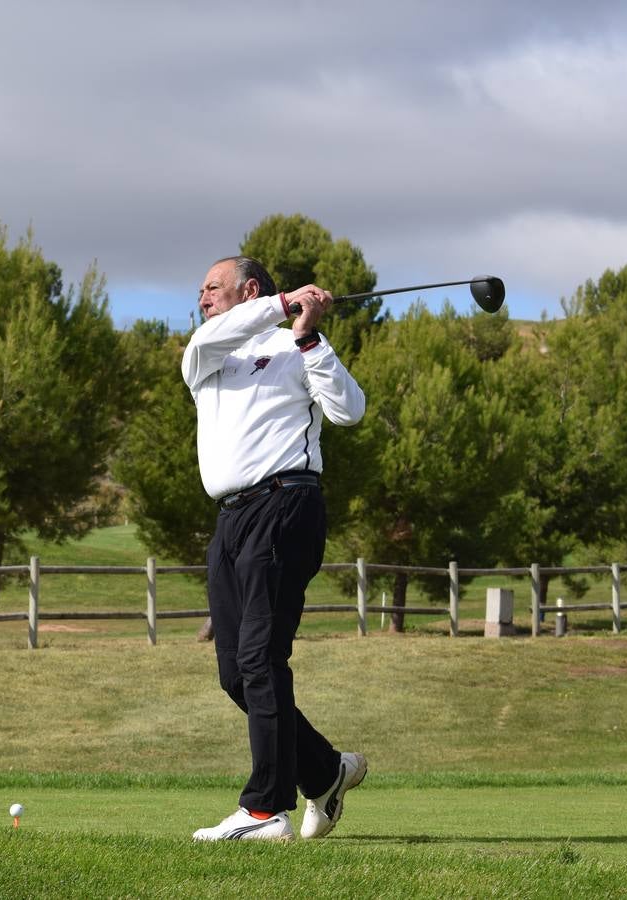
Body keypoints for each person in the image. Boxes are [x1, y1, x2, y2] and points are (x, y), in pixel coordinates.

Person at [183, 256, 368, 842]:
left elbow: (349, 412)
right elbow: (220, 332)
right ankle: (325, 770)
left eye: (212, 288)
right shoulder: (206, 353)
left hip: (286, 505)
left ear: (249, 290)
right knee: (236, 674)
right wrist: (286, 304)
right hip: (230, 520)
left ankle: (265, 810)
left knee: (260, 657)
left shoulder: (295, 347)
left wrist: (308, 335)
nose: (202, 298)